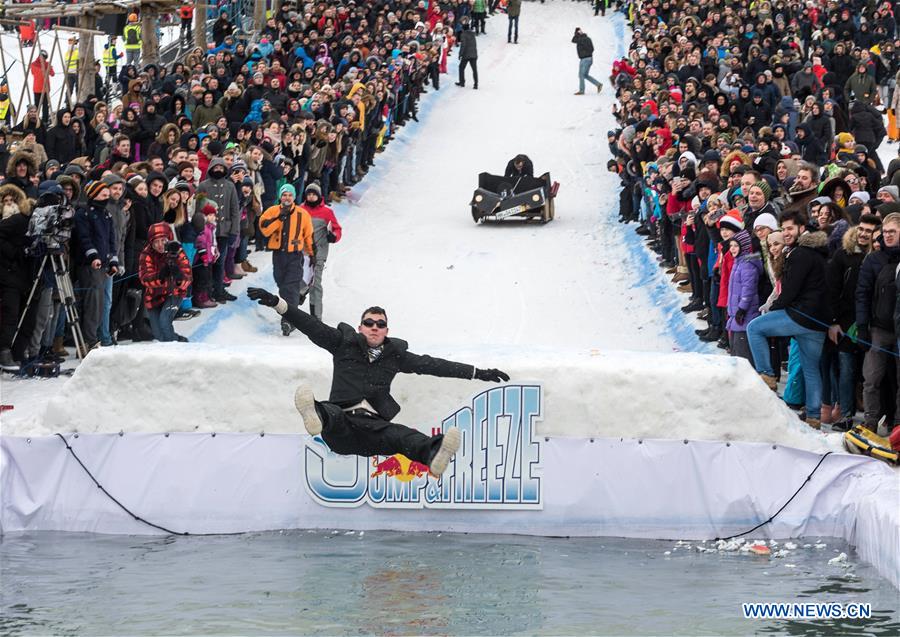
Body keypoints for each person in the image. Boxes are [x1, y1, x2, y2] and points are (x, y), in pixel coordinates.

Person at [245, 290, 510, 476]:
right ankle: (314, 415)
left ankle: (435, 454)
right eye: (368, 323)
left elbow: (435, 365)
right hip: (343, 427)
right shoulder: (342, 343)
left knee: (401, 435)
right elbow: (311, 325)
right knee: (331, 413)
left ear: (386, 331)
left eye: (380, 324)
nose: (374, 327)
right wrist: (278, 303)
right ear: (360, 327)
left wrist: (479, 372)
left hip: (374, 428)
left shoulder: (396, 356)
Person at [746, 210, 829, 428]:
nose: (786, 233)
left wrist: (773, 309)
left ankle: (766, 374)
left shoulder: (800, 253)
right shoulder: (817, 251)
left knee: (754, 328)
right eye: (783, 229)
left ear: (802, 228)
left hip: (800, 315)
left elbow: (790, 291)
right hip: (817, 323)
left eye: (790, 228)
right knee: (811, 370)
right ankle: (813, 416)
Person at [854, 212, 900, 432]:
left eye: (894, 232)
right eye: (886, 232)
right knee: (871, 378)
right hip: (878, 328)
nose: (888, 236)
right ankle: (870, 421)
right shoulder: (874, 259)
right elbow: (862, 293)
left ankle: (898, 424)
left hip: (899, 330)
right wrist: (862, 326)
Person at [258, 184, 314, 336]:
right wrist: (279, 219)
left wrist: (312, 254)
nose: (287, 197)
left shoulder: (302, 214)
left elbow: (308, 236)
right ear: (280, 197)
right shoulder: (272, 211)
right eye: (284, 195)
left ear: (294, 196)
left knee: (289, 286)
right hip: (278, 255)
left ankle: (289, 320)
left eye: (290, 195)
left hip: (295, 255)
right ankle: (299, 293)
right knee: (282, 284)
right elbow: (265, 230)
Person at [138, 222, 192, 342]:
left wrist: (178, 275)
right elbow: (144, 278)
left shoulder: (177, 251)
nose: (160, 245)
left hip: (174, 293)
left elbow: (188, 277)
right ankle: (179, 341)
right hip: (154, 296)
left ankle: (174, 353)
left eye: (163, 240)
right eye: (156, 242)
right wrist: (161, 275)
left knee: (164, 322)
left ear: (169, 239)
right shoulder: (146, 254)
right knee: (158, 334)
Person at [298, 182, 341, 321]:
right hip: (301, 253)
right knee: (298, 281)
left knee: (315, 283)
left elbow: (336, 228)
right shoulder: (300, 210)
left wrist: (333, 236)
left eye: (313, 195)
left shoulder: (327, 212)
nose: (311, 197)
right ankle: (291, 313)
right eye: (308, 194)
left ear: (318, 196)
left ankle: (316, 317)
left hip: (319, 253)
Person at [571, 28, 602, 96]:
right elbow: (592, 49)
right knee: (585, 75)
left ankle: (582, 90)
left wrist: (577, 34)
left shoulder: (580, 39)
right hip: (590, 59)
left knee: (581, 75)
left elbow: (573, 40)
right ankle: (598, 84)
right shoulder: (588, 38)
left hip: (584, 59)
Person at [30, 51, 54, 125]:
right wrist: (47, 67)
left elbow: (52, 74)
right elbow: (52, 73)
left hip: (40, 88)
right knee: (43, 106)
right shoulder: (41, 65)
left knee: (40, 106)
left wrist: (47, 67)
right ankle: (42, 120)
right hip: (41, 88)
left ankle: (40, 120)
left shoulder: (34, 64)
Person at [456, 21, 478, 90]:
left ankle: (462, 82)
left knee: (461, 68)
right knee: (474, 70)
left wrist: (460, 54)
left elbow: (463, 45)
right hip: (474, 54)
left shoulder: (463, 34)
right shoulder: (473, 34)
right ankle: (476, 84)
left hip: (466, 55)